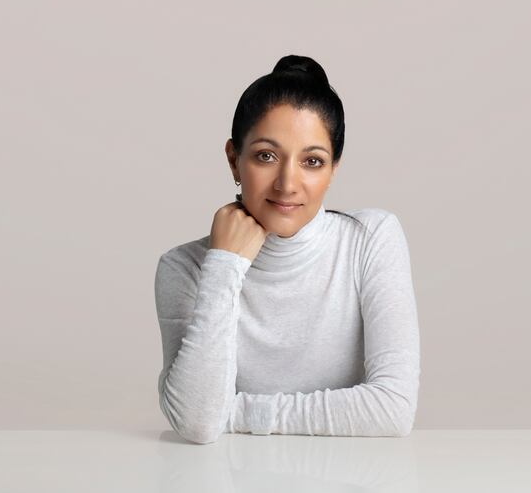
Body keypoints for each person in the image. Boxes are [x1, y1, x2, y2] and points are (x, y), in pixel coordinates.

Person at [154, 55, 420, 444]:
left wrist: (235, 413)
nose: (287, 183)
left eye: (312, 161)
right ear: (234, 160)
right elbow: (196, 422)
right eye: (266, 156)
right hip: (228, 473)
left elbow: (392, 409)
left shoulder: (369, 239)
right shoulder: (185, 267)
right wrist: (225, 265)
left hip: (348, 472)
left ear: (333, 170)